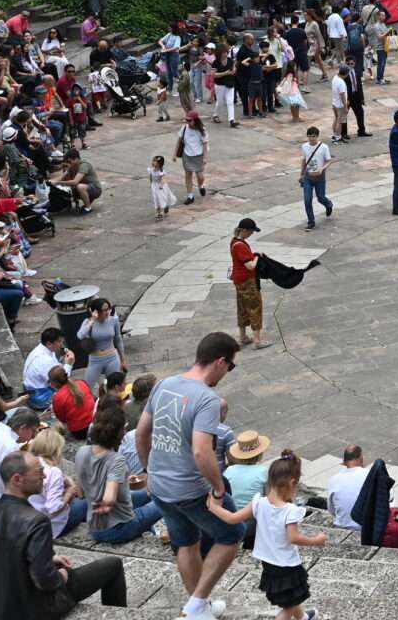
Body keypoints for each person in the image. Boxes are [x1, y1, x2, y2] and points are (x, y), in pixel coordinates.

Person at [136, 331, 245, 618]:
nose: (228, 371)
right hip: (190, 489)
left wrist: (148, 471)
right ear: (220, 362)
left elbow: (141, 433)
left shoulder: (165, 384)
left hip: (160, 486)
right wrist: (218, 488)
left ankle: (201, 608)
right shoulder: (208, 399)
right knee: (233, 533)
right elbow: (201, 451)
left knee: (186, 542)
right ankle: (196, 604)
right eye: (231, 366)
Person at [0, 450, 129, 620]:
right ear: (17, 479)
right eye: (39, 472)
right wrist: (62, 576)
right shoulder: (36, 521)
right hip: (35, 611)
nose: (44, 476)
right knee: (113, 564)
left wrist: (46, 557)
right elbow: (45, 580)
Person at [204, 452, 327, 620]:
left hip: (268, 563)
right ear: (292, 483)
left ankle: (304, 617)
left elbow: (233, 518)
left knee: (291, 598)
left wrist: (213, 507)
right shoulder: (290, 511)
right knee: (289, 606)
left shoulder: (258, 503)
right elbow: (293, 538)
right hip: (287, 564)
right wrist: (315, 541)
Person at [78, 410, 166, 544]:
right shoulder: (116, 461)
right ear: (119, 433)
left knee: (151, 492)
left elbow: (80, 490)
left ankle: (150, 529)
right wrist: (107, 503)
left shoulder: (83, 452)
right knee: (168, 500)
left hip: (95, 525)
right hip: (117, 529)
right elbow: (109, 498)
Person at [76, 297, 124, 391]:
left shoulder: (113, 320)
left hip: (112, 358)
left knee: (114, 387)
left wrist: (123, 359)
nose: (107, 312)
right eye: (104, 310)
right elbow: (80, 335)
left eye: (108, 309)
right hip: (95, 359)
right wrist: (92, 320)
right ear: (96, 311)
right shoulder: (88, 322)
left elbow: (118, 339)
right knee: (86, 387)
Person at [230, 219, 262, 350]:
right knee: (255, 307)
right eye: (251, 231)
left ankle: (243, 337)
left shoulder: (234, 241)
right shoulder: (241, 246)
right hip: (247, 280)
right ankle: (257, 340)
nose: (252, 234)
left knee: (242, 307)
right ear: (244, 230)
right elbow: (250, 266)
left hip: (238, 280)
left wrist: (252, 255)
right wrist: (257, 257)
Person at [21, 327, 70, 410]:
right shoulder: (46, 361)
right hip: (38, 396)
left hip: (32, 387)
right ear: (49, 343)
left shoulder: (41, 348)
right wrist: (69, 364)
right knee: (71, 394)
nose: (62, 345)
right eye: (59, 342)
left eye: (62, 341)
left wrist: (61, 363)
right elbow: (62, 380)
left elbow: (54, 368)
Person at [298, 127, 335, 231]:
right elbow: (304, 160)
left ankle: (328, 204)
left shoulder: (323, 147)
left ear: (317, 136)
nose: (311, 138)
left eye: (313, 136)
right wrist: (301, 174)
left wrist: (322, 169)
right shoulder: (304, 146)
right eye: (309, 136)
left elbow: (329, 160)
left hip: (319, 177)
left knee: (321, 197)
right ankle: (311, 221)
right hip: (308, 176)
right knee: (307, 199)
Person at [326, 445, 370, 528]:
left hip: (342, 526)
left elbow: (331, 510)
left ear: (344, 461)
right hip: (367, 528)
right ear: (361, 458)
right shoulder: (370, 475)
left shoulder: (334, 479)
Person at [45, 368, 95, 441]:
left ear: (54, 383)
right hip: (95, 422)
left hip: (80, 432)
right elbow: (91, 397)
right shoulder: (81, 382)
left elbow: (62, 419)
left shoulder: (57, 397)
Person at [175, 112, 209, 204]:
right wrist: (174, 154)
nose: (188, 122)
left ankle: (201, 186)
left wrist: (205, 158)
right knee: (188, 175)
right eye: (187, 120)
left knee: (200, 176)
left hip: (198, 155)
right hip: (187, 155)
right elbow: (179, 141)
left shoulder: (202, 130)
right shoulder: (184, 128)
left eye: (190, 121)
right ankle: (190, 195)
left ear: (195, 120)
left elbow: (205, 144)